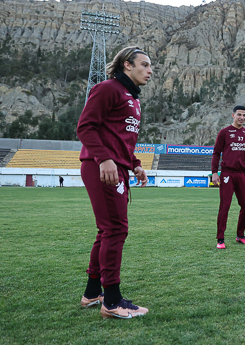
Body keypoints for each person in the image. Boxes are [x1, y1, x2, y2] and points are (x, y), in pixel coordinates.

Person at [76, 46, 151, 319]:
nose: (150, 70)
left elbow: (120, 139)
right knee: (116, 230)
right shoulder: (108, 88)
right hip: (102, 168)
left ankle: (92, 293)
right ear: (127, 65)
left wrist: (136, 164)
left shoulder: (132, 98)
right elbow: (85, 127)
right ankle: (112, 301)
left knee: (106, 230)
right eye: (144, 64)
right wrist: (104, 159)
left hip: (117, 165)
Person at [211, 105, 245, 249]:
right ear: (233, 115)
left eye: (244, 115)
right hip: (228, 174)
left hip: (243, 174)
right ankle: (220, 238)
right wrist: (215, 172)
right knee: (225, 206)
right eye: (239, 115)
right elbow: (216, 153)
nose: (242, 117)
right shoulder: (224, 132)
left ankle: (240, 235)